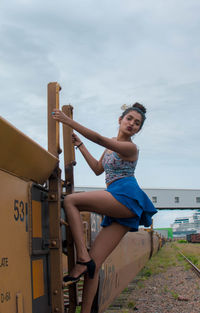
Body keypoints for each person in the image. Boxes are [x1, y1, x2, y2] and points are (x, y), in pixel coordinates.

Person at [52, 102, 157, 313]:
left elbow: (99, 139)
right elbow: (98, 169)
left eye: (137, 124)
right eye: (129, 119)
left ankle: (81, 256)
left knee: (71, 201)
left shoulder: (130, 147)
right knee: (95, 265)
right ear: (120, 120)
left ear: (138, 130)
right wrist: (80, 145)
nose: (132, 124)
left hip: (125, 195)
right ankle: (87, 307)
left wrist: (69, 122)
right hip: (117, 200)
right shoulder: (110, 147)